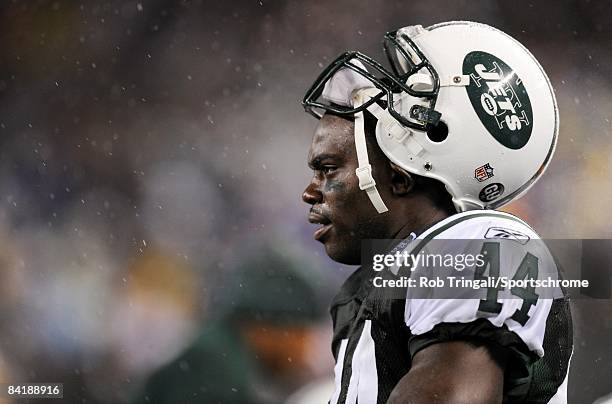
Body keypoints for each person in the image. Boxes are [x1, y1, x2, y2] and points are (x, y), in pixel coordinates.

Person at [301, 22, 572, 403]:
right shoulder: (378, 285)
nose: (310, 192)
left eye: (328, 169)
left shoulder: (478, 245)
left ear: (399, 177)